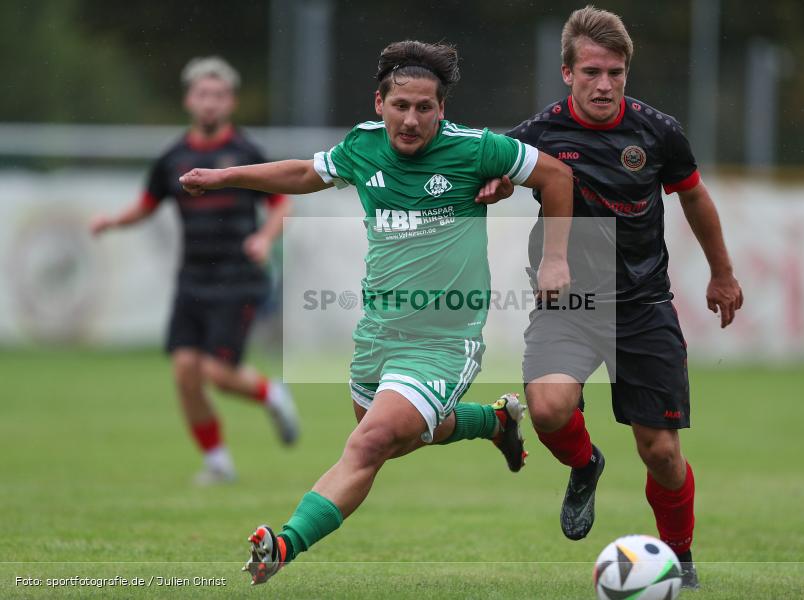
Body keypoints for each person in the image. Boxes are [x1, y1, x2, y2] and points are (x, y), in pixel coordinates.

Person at [180, 40, 573, 585]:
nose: (411, 120)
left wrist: (555, 260)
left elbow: (557, 176)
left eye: (424, 108)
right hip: (378, 333)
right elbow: (301, 176)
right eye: (400, 106)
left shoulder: (478, 150)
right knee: (395, 436)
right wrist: (224, 178)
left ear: (442, 110)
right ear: (379, 103)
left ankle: (283, 546)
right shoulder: (362, 148)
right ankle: (494, 420)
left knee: (370, 443)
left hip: (444, 338)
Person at [476, 6, 744, 588]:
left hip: (643, 305)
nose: (605, 84)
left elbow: (694, 199)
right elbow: (490, 176)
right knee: (546, 409)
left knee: (661, 452)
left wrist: (722, 273)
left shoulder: (658, 131)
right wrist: (492, 186)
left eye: (616, 73)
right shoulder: (540, 134)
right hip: (569, 304)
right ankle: (584, 464)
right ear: (567, 72)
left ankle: (679, 556)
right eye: (592, 71)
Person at [91, 56, 299, 485]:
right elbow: (147, 205)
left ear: (231, 103)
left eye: (219, 95)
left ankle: (270, 393)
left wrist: (264, 239)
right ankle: (218, 462)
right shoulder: (172, 158)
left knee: (218, 375)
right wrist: (113, 221)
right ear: (189, 99)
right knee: (185, 372)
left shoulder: (245, 153)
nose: (210, 103)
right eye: (203, 94)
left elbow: (282, 202)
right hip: (192, 280)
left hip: (238, 279)